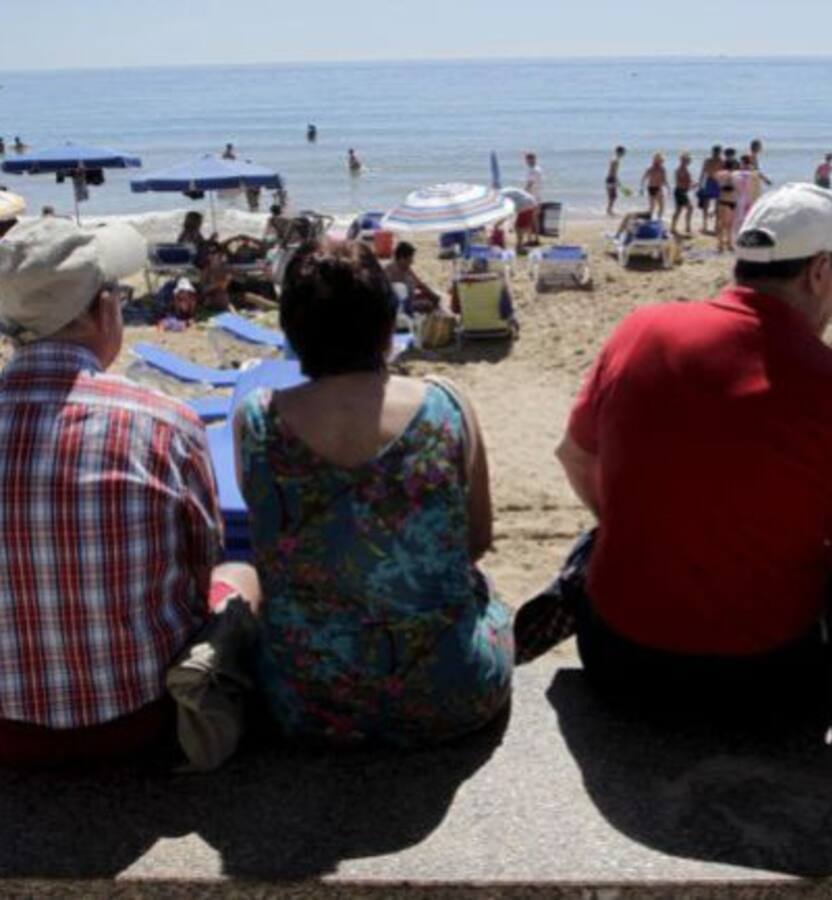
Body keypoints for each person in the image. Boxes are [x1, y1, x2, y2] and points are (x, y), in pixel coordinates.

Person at [549, 184, 832, 718]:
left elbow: (574, 456)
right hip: (769, 681)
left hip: (620, 660)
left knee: (597, 541)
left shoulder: (641, 331)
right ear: (819, 271)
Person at [233, 241, 512, 746]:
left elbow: (269, 538)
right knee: (490, 595)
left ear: (292, 331)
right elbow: (477, 540)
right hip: (451, 695)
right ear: (387, 324)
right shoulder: (445, 404)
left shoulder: (256, 418)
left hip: (304, 700)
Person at [0, 218, 255, 766]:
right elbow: (202, 566)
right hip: (139, 720)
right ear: (102, 310)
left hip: (6, 734)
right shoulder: (163, 422)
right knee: (240, 574)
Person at [384, 241, 442, 316]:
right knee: (428, 305)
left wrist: (433, 296)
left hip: (409, 301)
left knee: (428, 297)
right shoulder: (390, 272)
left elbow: (420, 284)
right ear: (402, 258)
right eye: (410, 259)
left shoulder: (405, 269)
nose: (412, 262)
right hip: (400, 307)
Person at [516, 152, 543, 251]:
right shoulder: (538, 169)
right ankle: (536, 239)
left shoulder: (532, 170)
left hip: (531, 198)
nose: (527, 161)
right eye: (527, 159)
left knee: (530, 219)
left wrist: (522, 193)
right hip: (537, 196)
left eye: (529, 159)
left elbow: (529, 184)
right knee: (534, 219)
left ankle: (530, 239)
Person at [714, 158, 739, 253]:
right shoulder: (734, 174)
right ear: (733, 166)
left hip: (721, 199)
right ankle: (729, 243)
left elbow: (716, 179)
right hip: (731, 200)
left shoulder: (719, 174)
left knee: (721, 223)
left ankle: (720, 244)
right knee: (729, 225)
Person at [697, 145, 723, 234]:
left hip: (712, 182)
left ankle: (707, 226)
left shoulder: (709, 161)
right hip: (715, 182)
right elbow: (703, 173)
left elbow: (703, 173)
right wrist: (700, 184)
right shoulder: (720, 161)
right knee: (714, 205)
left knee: (708, 205)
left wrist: (700, 184)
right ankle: (713, 226)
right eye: (718, 152)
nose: (717, 154)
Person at [672, 152, 694, 236]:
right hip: (680, 192)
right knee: (690, 208)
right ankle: (687, 227)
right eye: (687, 161)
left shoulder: (684, 169)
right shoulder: (680, 170)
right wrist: (690, 185)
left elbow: (686, 181)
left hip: (681, 191)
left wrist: (691, 184)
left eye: (688, 161)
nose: (688, 162)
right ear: (683, 161)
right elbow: (679, 183)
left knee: (679, 210)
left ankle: (674, 227)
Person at [641, 152, 668, 220]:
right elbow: (644, 178)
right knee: (654, 205)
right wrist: (642, 188)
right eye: (660, 161)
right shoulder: (651, 168)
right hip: (653, 188)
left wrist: (668, 187)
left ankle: (658, 218)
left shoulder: (661, 169)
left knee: (659, 205)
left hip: (656, 188)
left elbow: (664, 180)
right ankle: (653, 218)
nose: (661, 162)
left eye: (661, 161)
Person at [605, 146, 626, 216]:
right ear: (620, 152)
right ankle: (609, 210)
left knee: (613, 196)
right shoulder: (616, 160)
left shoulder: (614, 159)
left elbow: (612, 171)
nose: (624, 154)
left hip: (610, 178)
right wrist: (617, 181)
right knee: (613, 196)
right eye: (623, 152)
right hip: (611, 179)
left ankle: (609, 210)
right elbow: (613, 171)